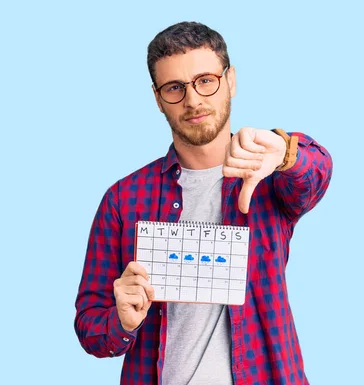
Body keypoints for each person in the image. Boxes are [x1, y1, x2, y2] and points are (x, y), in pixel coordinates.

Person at [74, 21, 332, 385]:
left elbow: (317, 173)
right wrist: (121, 320)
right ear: (157, 98)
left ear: (231, 81)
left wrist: (287, 151)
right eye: (175, 88)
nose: (193, 99)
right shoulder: (122, 200)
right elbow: (90, 326)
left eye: (205, 80)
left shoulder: (271, 176)